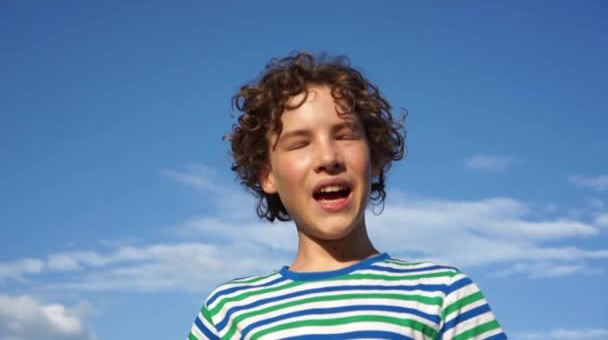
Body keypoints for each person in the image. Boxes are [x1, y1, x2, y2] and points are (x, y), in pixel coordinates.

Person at [188, 52, 506, 340]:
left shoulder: (443, 296)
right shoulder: (227, 313)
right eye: (300, 143)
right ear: (267, 175)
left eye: (345, 135)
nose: (328, 157)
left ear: (377, 160)